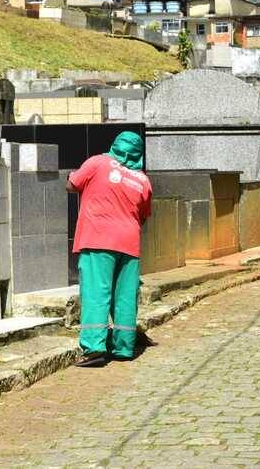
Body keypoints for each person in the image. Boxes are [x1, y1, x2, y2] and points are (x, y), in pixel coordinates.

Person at [66, 131, 153, 367]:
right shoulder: (142, 179)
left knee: (96, 292)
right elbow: (144, 214)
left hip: (97, 237)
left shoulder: (98, 162)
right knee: (125, 296)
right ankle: (124, 347)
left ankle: (95, 348)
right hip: (129, 241)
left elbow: (72, 183)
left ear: (115, 145)